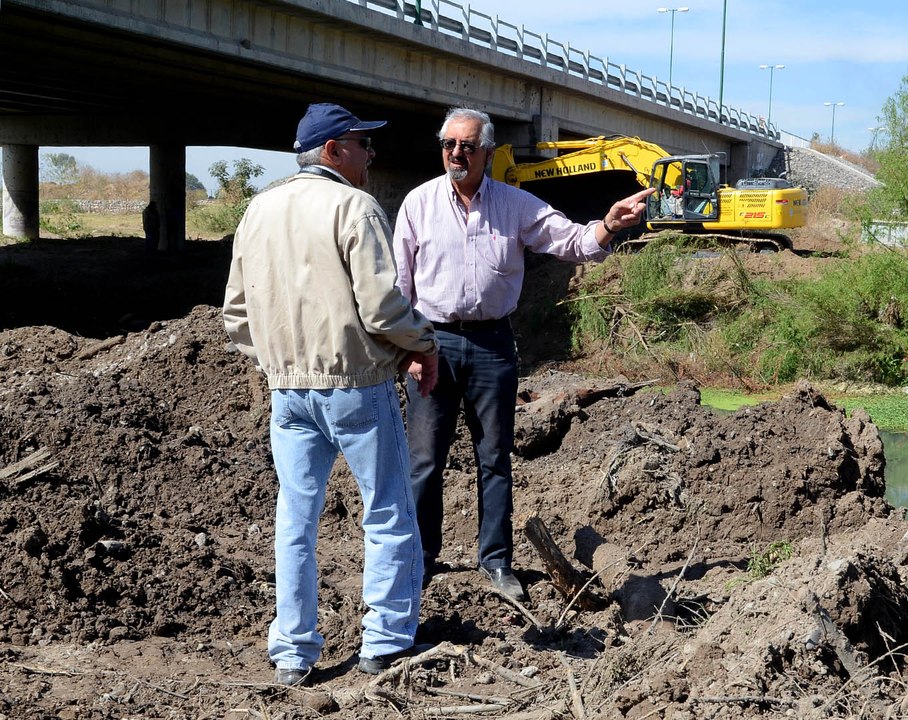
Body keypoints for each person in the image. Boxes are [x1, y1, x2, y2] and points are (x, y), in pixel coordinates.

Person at [393, 107, 653, 601]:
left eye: (467, 146)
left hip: (493, 345)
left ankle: (495, 561)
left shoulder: (516, 205)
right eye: (449, 145)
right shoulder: (418, 204)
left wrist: (610, 225)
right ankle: (422, 558)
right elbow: (399, 286)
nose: (456, 154)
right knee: (425, 460)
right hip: (433, 345)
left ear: (487, 152)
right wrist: (407, 349)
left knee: (494, 459)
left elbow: (572, 240)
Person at [222, 102, 440, 687]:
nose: (373, 154)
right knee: (388, 510)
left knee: (295, 518)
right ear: (333, 150)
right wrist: (420, 346)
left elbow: (236, 316)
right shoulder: (355, 206)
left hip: (287, 394)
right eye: (364, 144)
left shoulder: (258, 209)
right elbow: (382, 307)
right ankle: (387, 640)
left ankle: (293, 652)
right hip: (357, 387)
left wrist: (280, 360)